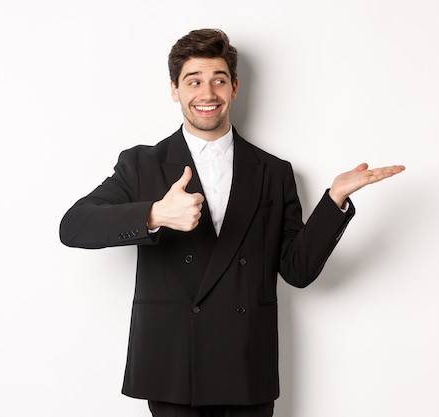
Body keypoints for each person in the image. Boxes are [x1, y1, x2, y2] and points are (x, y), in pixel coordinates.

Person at [59, 28, 405, 417]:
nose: (207, 94)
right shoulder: (141, 164)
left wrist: (334, 200)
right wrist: (155, 214)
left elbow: (297, 270)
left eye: (218, 80)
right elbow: (73, 226)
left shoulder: (273, 172)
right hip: (174, 366)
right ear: (174, 89)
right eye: (194, 81)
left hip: (245, 364)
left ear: (234, 87)